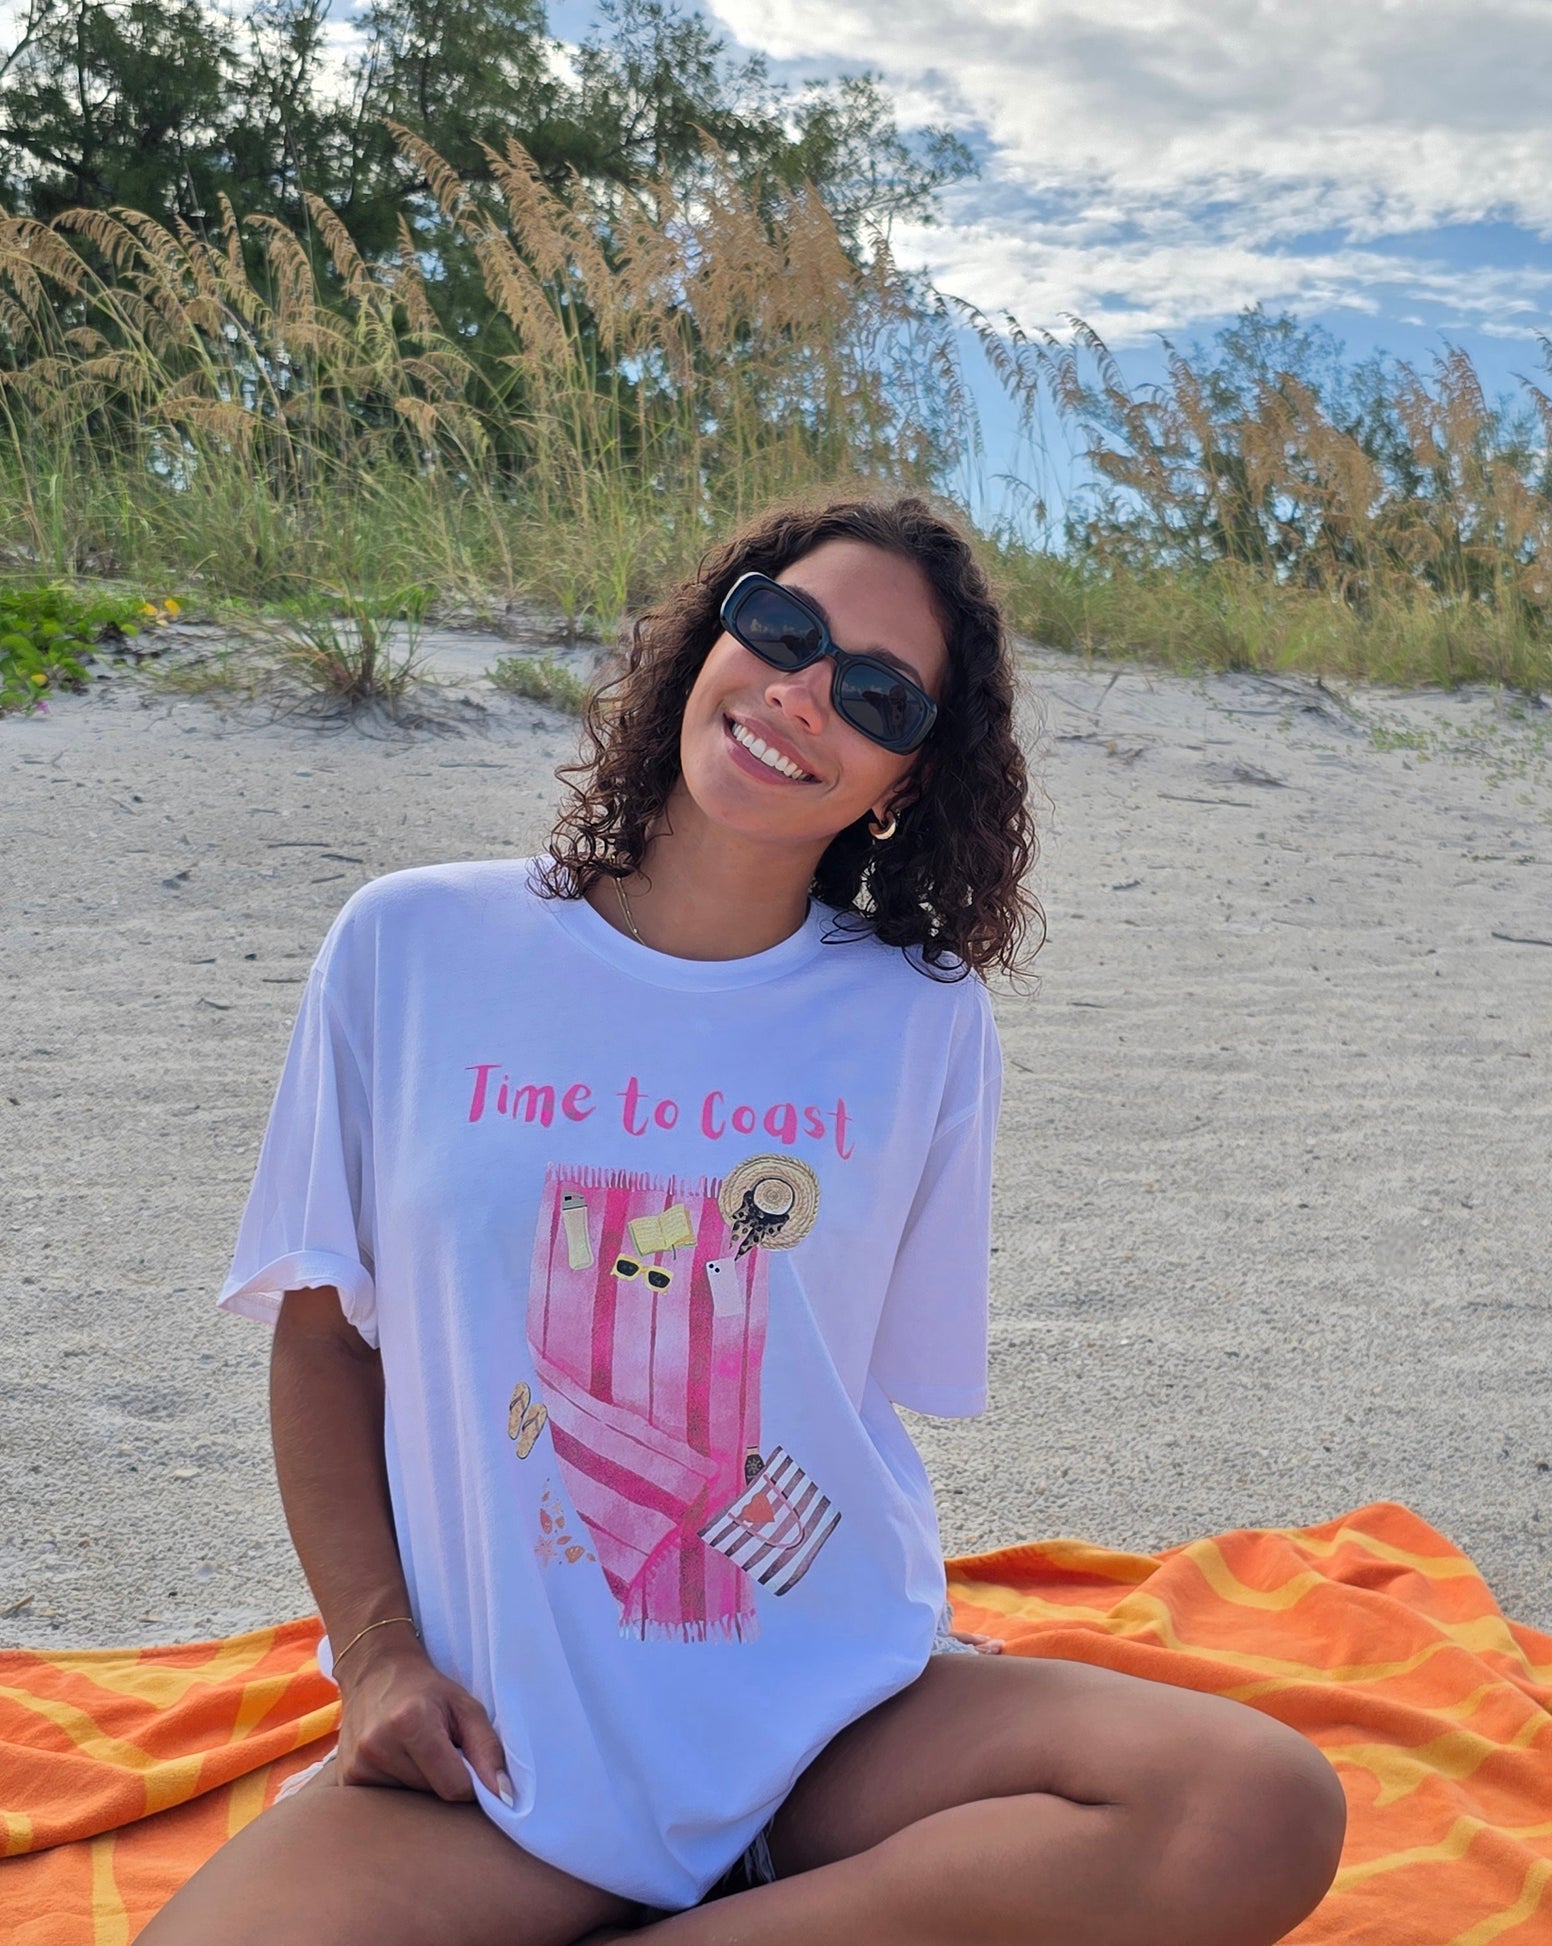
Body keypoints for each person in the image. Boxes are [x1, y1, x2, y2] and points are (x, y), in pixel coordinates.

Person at [142, 496, 1346, 1946]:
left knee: (1257, 1801)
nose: (800, 692)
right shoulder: (411, 948)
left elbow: (833, 1404)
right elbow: (326, 1343)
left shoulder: (919, 1023)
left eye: (876, 694)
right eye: (782, 628)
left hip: (825, 1729)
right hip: (513, 1760)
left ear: (904, 777)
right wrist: (379, 1656)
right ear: (708, 633)